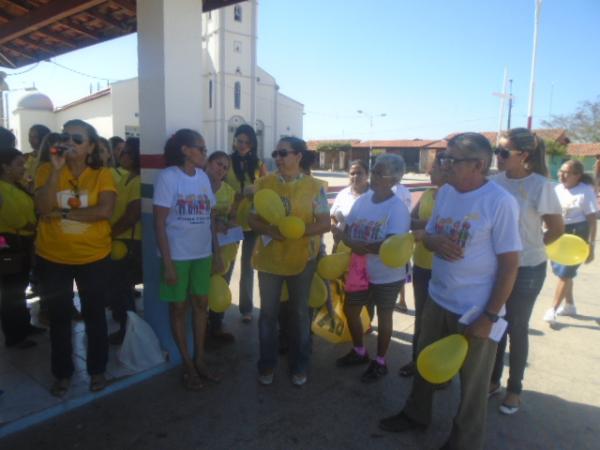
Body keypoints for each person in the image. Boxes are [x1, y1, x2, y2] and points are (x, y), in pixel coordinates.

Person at [379, 132, 521, 450]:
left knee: (472, 387)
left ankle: (465, 441)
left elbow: (511, 265)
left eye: (451, 160)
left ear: (479, 165)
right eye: (444, 158)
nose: (443, 165)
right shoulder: (445, 193)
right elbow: (427, 234)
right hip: (439, 298)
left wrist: (489, 315)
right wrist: (432, 241)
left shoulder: (499, 202)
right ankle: (416, 414)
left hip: (476, 309)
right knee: (424, 365)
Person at [34, 119, 116, 397]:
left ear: (91, 146)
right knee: (59, 318)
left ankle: (97, 370)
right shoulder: (46, 169)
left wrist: (65, 214)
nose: (69, 142)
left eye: (77, 139)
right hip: (53, 256)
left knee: (95, 316)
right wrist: (57, 172)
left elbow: (104, 210)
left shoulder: (102, 174)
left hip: (93, 256)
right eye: (65, 136)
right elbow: (43, 208)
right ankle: (62, 374)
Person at [489, 128, 564, 415]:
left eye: (504, 152)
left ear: (524, 156)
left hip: (527, 269)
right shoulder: (494, 183)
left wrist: (531, 250)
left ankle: (514, 389)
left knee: (516, 327)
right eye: (498, 151)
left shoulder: (540, 186)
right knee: (495, 324)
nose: (499, 157)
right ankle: (493, 381)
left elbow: (556, 229)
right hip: (495, 267)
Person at [248, 137, 330, 387]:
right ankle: (267, 364)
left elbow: (325, 223)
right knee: (268, 315)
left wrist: (297, 230)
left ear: (298, 156)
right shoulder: (263, 183)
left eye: (283, 153)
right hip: (270, 260)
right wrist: (273, 231)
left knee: (299, 314)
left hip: (302, 259)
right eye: (276, 153)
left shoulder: (316, 187)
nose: (278, 158)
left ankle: (300, 364)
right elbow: (253, 219)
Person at [153, 129, 222, 390]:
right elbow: (159, 224)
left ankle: (201, 359)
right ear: (185, 150)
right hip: (177, 257)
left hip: (202, 254)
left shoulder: (203, 178)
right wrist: (168, 264)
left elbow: (211, 217)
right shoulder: (168, 178)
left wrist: (215, 252)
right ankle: (187, 364)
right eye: (202, 149)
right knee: (179, 309)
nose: (205, 153)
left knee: (201, 306)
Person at [336, 154, 411, 382]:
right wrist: (347, 239)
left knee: (384, 317)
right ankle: (359, 351)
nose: (374, 176)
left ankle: (380, 361)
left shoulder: (397, 208)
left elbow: (390, 246)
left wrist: (358, 245)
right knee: (351, 309)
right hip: (359, 270)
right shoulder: (363, 201)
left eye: (380, 173)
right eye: (374, 171)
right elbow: (347, 229)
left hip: (387, 274)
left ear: (394, 179)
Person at [398, 152, 446, 377]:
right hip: (422, 264)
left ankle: (439, 368)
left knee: (441, 321)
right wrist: (433, 225)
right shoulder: (428, 194)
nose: (428, 172)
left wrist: (427, 226)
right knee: (421, 316)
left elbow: (449, 227)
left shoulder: (455, 198)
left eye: (434, 168)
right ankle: (416, 360)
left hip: (444, 268)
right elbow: (410, 220)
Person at [544, 160, 597, 322]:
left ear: (577, 175)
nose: (562, 174)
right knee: (561, 272)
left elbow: (592, 221)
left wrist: (591, 246)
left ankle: (552, 309)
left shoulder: (585, 191)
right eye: (561, 171)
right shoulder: (557, 189)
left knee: (565, 273)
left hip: (577, 236)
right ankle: (570, 305)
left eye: (567, 172)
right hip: (557, 234)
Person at [0, 149, 43, 348]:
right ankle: (14, 335)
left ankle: (24, 326)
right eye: (18, 164)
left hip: (23, 243)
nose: (23, 167)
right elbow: (15, 218)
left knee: (20, 287)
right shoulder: (2, 189)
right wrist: (34, 226)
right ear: (5, 167)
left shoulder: (17, 186)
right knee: (12, 291)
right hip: (10, 245)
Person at [225, 124, 267, 323]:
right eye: (239, 141)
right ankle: (218, 309)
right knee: (226, 263)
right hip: (230, 220)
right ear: (234, 141)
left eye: (247, 142)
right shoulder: (225, 161)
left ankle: (246, 309)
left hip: (251, 222)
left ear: (252, 144)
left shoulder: (259, 164)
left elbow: (267, 189)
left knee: (248, 266)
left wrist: (254, 192)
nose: (242, 145)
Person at [108, 137, 141, 344]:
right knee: (120, 289)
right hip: (119, 242)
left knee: (123, 289)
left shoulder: (138, 180)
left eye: (128, 152)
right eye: (122, 152)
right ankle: (126, 328)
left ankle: (129, 332)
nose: (122, 155)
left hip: (129, 243)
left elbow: (132, 216)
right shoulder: (126, 177)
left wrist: (108, 233)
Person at [205, 151, 238, 343]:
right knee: (201, 288)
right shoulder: (197, 185)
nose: (222, 170)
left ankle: (216, 327)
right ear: (208, 163)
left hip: (225, 246)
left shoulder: (229, 191)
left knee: (221, 283)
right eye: (219, 164)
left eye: (225, 168)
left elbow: (233, 217)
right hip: (202, 245)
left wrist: (228, 223)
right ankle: (201, 330)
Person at [330, 160, 370, 251]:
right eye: (352, 173)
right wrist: (334, 227)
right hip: (342, 245)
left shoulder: (377, 195)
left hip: (366, 249)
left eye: (359, 173)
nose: (355, 176)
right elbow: (332, 215)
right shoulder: (343, 194)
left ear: (367, 175)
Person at [24, 124, 51, 189]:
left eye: (35, 137)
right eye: (30, 136)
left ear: (43, 138)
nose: (31, 140)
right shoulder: (26, 156)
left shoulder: (51, 159)